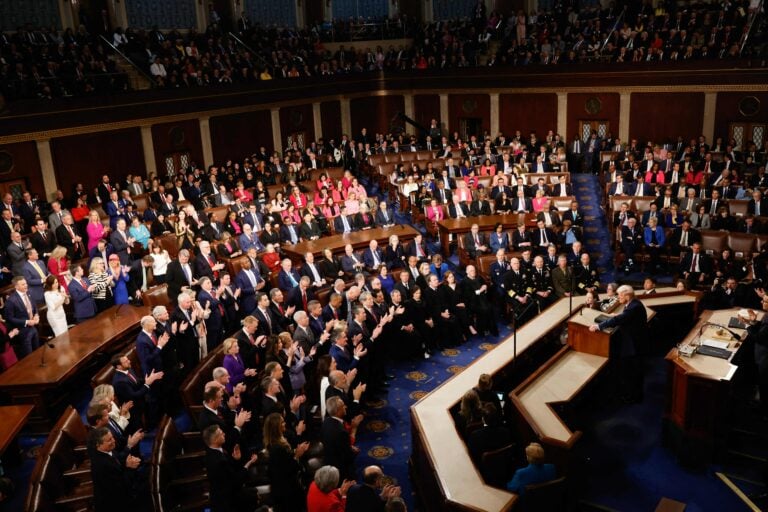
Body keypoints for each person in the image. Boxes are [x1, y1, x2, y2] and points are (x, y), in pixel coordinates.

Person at [589, 285, 648, 403]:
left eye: (620, 295)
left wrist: (599, 326)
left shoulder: (634, 307)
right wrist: (619, 316)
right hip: (633, 343)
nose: (618, 297)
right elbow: (625, 317)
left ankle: (633, 397)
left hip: (634, 346)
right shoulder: (633, 304)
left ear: (627, 295)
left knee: (632, 372)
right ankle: (632, 394)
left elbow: (619, 320)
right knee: (629, 371)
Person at [203, 424, 259, 512]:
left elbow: (227, 471)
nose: (224, 434)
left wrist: (235, 459)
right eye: (221, 433)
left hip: (226, 493)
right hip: (228, 501)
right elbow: (235, 482)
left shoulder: (212, 452)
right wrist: (248, 464)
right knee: (255, 494)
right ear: (214, 439)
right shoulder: (218, 460)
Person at [88, 427, 143, 512]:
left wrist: (129, 445)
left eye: (112, 437)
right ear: (98, 445)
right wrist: (129, 467)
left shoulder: (106, 450)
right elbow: (122, 486)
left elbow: (118, 459)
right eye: (109, 440)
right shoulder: (102, 465)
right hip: (115, 505)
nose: (113, 441)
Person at [263, 412, 309, 511]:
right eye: (282, 422)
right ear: (276, 427)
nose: (285, 424)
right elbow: (286, 470)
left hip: (287, 489)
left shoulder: (279, 442)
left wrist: (296, 452)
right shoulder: (277, 448)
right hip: (286, 493)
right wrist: (297, 455)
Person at [4, 276, 41, 359]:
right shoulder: (11, 300)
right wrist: (26, 322)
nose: (26, 285)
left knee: (38, 351)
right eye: (23, 284)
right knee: (29, 357)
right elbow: (9, 318)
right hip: (23, 331)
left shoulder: (29, 293)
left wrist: (36, 315)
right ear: (16, 286)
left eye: (26, 283)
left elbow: (34, 307)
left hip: (34, 328)